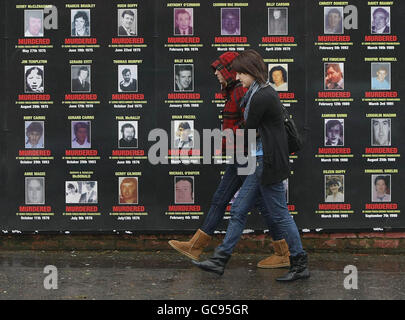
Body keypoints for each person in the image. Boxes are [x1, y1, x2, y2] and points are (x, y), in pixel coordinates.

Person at [191, 50, 309, 281]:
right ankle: (220, 260)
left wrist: (220, 139)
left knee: (278, 215)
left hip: (266, 163)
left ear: (252, 72)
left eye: (242, 73)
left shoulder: (262, 96)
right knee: (248, 211)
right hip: (261, 160)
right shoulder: (258, 92)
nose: (239, 77)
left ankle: (298, 263)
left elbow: (248, 131)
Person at [169, 52, 292, 271]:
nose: (216, 73)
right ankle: (197, 246)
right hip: (241, 154)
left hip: (248, 155)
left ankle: (285, 253)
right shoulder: (234, 91)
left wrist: (229, 135)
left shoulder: (241, 91)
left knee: (259, 205)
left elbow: (252, 127)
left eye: (218, 69)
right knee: (229, 200)